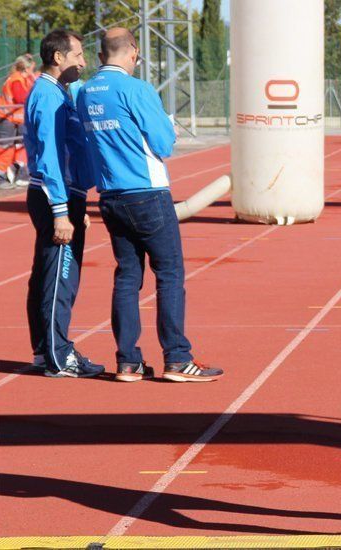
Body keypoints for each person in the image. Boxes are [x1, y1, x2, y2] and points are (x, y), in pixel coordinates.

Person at [77, 28, 223, 383]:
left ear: (100, 55)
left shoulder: (84, 92)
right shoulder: (136, 88)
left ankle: (128, 361)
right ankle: (177, 357)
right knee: (170, 274)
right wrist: (167, 128)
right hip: (147, 192)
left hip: (110, 195)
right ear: (133, 53)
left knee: (127, 277)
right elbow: (163, 141)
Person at [24, 29, 104, 377]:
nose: (84, 62)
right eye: (78, 55)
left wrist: (78, 204)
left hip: (64, 195)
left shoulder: (58, 92)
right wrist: (61, 211)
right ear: (58, 58)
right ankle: (58, 356)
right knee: (59, 277)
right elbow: (51, 155)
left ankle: (46, 351)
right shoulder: (48, 95)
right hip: (53, 196)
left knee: (47, 274)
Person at [0, 56, 35, 189]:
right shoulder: (17, 80)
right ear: (27, 68)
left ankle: (13, 171)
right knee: (4, 147)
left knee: (14, 147)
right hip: (5, 116)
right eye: (32, 68)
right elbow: (20, 97)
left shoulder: (19, 78)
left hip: (11, 117)